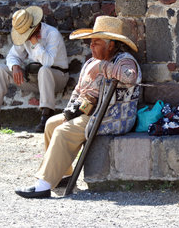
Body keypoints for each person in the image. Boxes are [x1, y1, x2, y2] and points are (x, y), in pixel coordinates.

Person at [15, 16, 142, 198]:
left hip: (110, 116)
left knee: (62, 132)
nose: (91, 47)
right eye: (91, 42)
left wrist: (103, 67)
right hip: (87, 112)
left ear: (111, 45)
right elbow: (78, 92)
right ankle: (63, 176)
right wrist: (69, 112)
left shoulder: (125, 60)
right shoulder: (90, 62)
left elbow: (130, 76)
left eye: (96, 43)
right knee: (52, 124)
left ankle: (43, 185)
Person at [0, 6, 69, 133]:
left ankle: (46, 117)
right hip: (35, 78)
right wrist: (15, 66)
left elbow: (47, 62)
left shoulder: (52, 34)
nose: (26, 37)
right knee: (1, 69)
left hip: (57, 77)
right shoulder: (24, 36)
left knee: (44, 70)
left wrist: (35, 43)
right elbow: (12, 56)